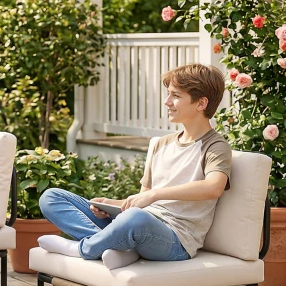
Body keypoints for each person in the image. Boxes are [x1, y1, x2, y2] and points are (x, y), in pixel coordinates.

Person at [38, 63, 231, 269]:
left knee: (135, 219)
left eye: (175, 95)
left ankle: (82, 249)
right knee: (51, 197)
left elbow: (213, 187)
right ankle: (118, 249)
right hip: (139, 222)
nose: (167, 102)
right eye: (168, 94)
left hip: (175, 240)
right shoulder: (161, 144)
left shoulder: (215, 146)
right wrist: (111, 204)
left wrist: (156, 194)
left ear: (201, 103)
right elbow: (143, 199)